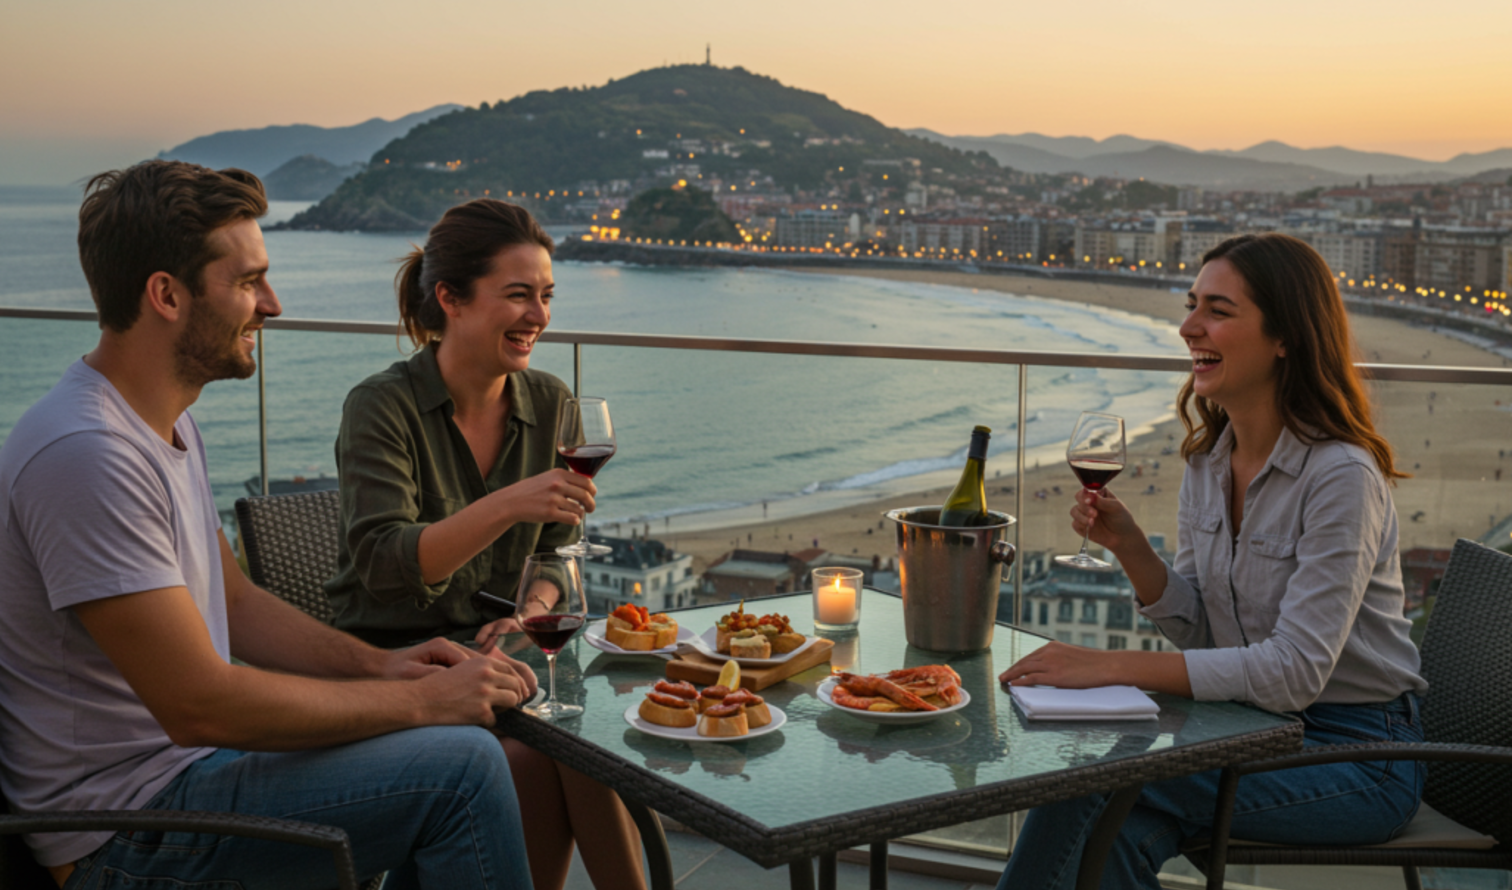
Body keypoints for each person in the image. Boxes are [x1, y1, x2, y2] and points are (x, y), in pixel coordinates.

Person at [0, 161, 536, 889]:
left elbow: (238, 602)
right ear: (166, 295)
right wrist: (417, 701)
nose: (273, 305)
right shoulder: (86, 453)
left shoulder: (163, 425)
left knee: (446, 740)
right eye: (248, 281)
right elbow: (199, 705)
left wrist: (384, 666)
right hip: (123, 835)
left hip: (187, 780)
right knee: (462, 772)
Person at [997, 233, 1428, 889]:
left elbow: (1293, 674)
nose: (1188, 325)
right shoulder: (1208, 458)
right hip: (1249, 728)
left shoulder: (1340, 476)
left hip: (1361, 755)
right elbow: (1203, 630)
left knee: (1091, 781)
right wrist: (1132, 549)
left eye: (1218, 310)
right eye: (1193, 303)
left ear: (1286, 336)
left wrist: (1108, 666)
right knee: (1113, 836)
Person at [324, 198, 646, 890]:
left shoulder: (550, 401)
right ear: (451, 299)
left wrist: (533, 604)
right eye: (518, 295)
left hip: (500, 653)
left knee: (583, 747)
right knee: (538, 757)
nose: (539, 315)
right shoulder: (381, 407)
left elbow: (559, 548)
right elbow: (384, 566)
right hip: (394, 662)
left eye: (547, 296)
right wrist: (509, 504)